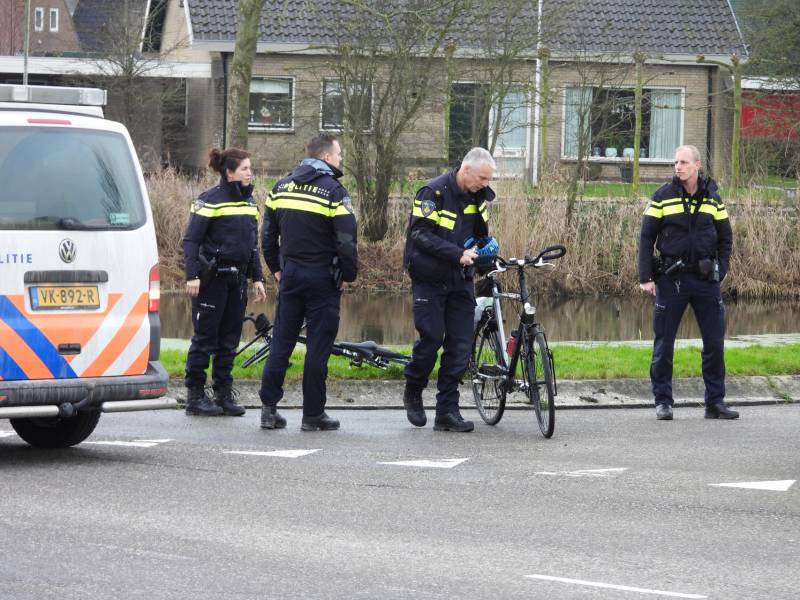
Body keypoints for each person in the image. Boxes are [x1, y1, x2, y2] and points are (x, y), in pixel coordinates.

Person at [259, 134, 358, 431]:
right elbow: (346, 241)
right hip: (322, 280)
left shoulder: (281, 187)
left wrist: (277, 268)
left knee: (281, 343)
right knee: (318, 347)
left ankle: (268, 410)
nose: (341, 159)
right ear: (327, 158)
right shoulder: (334, 192)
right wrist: (348, 275)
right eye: (339, 154)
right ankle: (313, 415)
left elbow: (266, 236)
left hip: (290, 277)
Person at [638, 144, 737, 421]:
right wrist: (646, 277)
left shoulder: (714, 199)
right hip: (672, 279)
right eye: (675, 162)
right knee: (664, 343)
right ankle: (663, 402)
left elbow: (726, 238)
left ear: (696, 165)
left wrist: (722, 270)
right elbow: (646, 239)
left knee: (715, 343)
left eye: (683, 162)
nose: (677, 167)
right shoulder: (661, 197)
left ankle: (715, 403)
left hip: (706, 280)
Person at [402, 147, 496, 432]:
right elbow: (419, 234)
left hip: (460, 279)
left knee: (460, 345)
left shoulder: (478, 198)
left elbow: (481, 235)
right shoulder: (432, 193)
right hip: (429, 278)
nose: (485, 184)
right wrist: (456, 253)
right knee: (431, 339)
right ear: (465, 170)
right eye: (482, 178)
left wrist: (486, 253)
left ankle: (447, 411)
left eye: (488, 180)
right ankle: (414, 389)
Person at [182, 148, 267, 416]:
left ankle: (222, 393)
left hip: (238, 280)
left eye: (250, 168)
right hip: (212, 280)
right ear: (229, 172)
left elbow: (252, 245)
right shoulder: (210, 200)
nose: (249, 173)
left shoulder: (250, 202)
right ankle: (195, 396)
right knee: (205, 339)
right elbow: (191, 240)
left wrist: (258, 278)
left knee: (229, 340)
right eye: (244, 169)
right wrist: (192, 275)